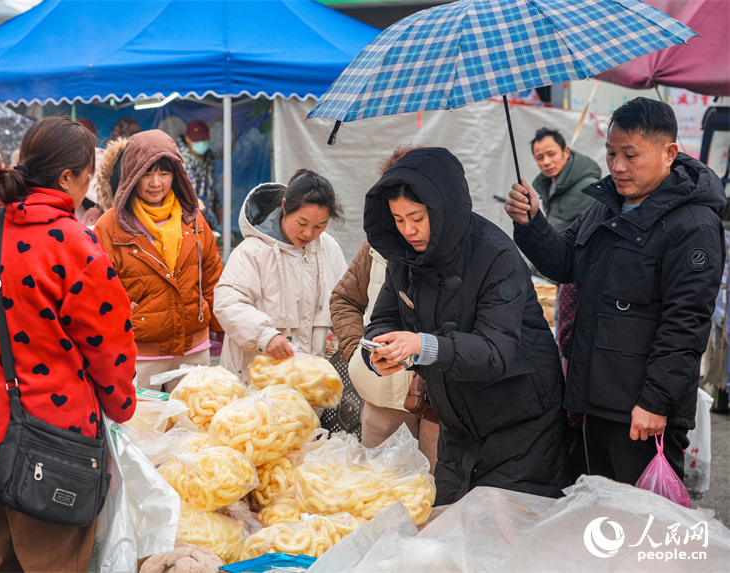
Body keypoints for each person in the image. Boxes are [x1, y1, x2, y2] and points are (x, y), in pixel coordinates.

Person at [0, 116, 137, 572]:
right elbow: (109, 348)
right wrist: (122, 405)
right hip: (52, 443)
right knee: (53, 564)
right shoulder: (76, 245)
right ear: (66, 178)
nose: (88, 187)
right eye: (88, 176)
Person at [505, 97, 725, 485]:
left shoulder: (694, 226)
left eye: (630, 155)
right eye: (611, 153)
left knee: (641, 517)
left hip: (641, 411)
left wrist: (655, 401)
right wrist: (532, 222)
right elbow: (566, 262)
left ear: (669, 153)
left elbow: (686, 324)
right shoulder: (607, 204)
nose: (617, 166)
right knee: (596, 511)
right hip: (594, 398)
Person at [364, 147, 567, 505]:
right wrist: (378, 351)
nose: (408, 230)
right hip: (457, 424)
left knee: (505, 527)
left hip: (520, 424)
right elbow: (383, 319)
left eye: (417, 217)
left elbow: (495, 352)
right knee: (449, 520)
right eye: (398, 219)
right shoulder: (404, 257)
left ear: (442, 209)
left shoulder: (496, 255)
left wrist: (422, 345)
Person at [330, 147, 438, 469]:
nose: (407, 225)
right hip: (382, 398)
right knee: (381, 485)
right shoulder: (375, 245)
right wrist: (357, 353)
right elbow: (344, 299)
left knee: (438, 488)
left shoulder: (453, 249)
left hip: (440, 404)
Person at [93, 129, 223, 391]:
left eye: (164, 173)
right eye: (147, 173)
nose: (156, 183)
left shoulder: (194, 220)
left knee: (195, 415)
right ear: (132, 174)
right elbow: (99, 291)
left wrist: (222, 329)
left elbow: (211, 278)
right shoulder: (109, 227)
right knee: (142, 418)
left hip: (193, 348)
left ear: (177, 175)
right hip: (139, 352)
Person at [214, 171, 347, 380]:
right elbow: (228, 302)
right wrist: (264, 336)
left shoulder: (328, 249)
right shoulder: (253, 251)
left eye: (319, 226)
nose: (308, 234)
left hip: (307, 384)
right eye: (302, 223)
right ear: (285, 207)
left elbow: (345, 303)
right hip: (255, 383)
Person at [530, 127, 601, 481]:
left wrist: (533, 224)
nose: (546, 162)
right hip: (563, 284)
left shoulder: (587, 189)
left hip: (576, 286)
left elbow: (565, 249)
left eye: (551, 154)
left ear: (566, 152)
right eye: (539, 157)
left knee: (571, 347)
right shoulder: (549, 186)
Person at [178, 120, 221, 230]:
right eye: (197, 140)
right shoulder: (179, 158)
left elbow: (211, 184)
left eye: (204, 139)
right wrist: (194, 201)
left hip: (207, 215)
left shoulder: (209, 156)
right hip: (187, 218)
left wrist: (217, 207)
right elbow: (179, 189)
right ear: (187, 139)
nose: (201, 143)